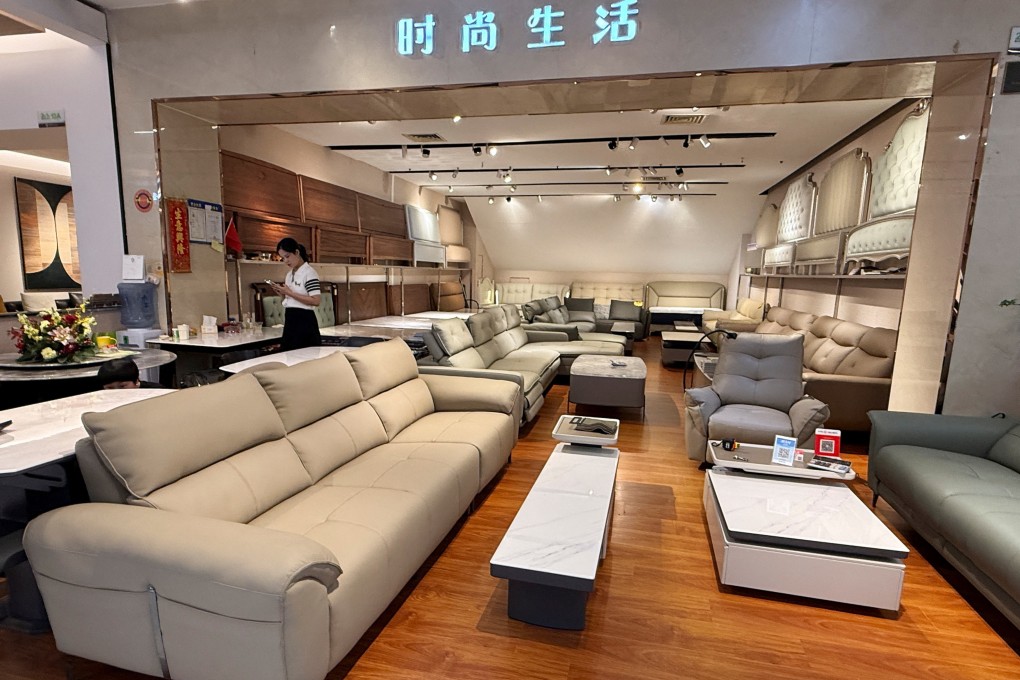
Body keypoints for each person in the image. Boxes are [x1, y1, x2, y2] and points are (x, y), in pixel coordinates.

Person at [270, 237, 322, 351]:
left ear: (297, 252)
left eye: (287, 256)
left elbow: (316, 300)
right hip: (290, 318)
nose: (285, 261)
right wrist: (282, 293)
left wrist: (290, 293)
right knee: (289, 356)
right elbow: (290, 299)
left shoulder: (309, 273)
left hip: (305, 320)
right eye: (282, 258)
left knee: (306, 358)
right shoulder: (289, 275)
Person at [97, 357, 163, 389]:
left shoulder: (157, 391)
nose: (117, 392)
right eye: (110, 388)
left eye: (122, 386)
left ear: (136, 381)